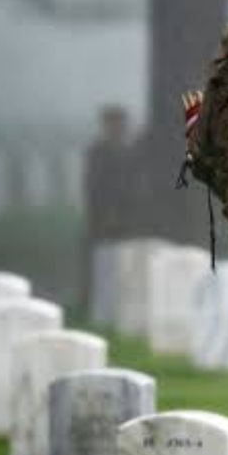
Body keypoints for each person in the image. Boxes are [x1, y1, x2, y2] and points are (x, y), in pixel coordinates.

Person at [81, 104, 133, 311]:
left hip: (126, 216)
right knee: (99, 263)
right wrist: (104, 212)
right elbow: (93, 186)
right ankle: (95, 302)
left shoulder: (129, 152)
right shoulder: (97, 152)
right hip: (102, 216)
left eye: (120, 123)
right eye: (113, 123)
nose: (118, 128)